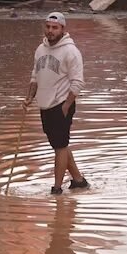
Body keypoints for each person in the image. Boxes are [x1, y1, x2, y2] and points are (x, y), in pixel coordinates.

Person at [24, 12, 88, 195]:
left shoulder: (71, 51)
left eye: (55, 27)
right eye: (48, 27)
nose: (50, 31)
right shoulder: (40, 50)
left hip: (61, 104)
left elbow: (78, 83)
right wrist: (29, 98)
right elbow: (34, 77)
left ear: (62, 29)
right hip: (44, 105)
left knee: (59, 147)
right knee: (60, 144)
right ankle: (78, 181)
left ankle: (57, 188)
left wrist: (66, 106)